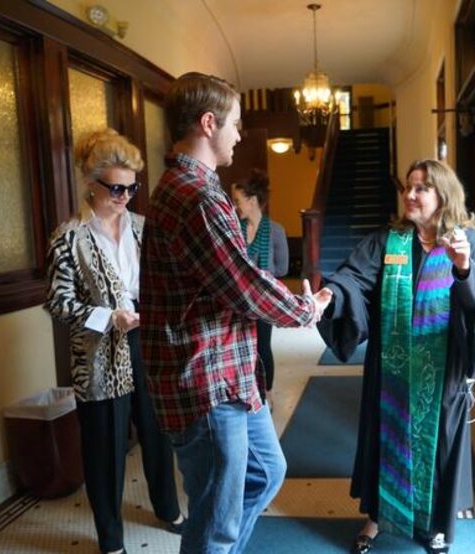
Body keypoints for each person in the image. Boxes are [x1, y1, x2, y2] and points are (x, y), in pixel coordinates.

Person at [139, 72, 331, 554]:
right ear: (209, 123)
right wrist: (303, 310)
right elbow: (242, 285)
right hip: (205, 381)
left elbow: (237, 276)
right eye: (237, 124)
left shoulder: (198, 189)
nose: (240, 134)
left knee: (267, 473)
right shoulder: (196, 196)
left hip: (231, 374)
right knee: (217, 520)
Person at [316, 159, 475, 554]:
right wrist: (332, 295)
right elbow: (354, 278)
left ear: (444, 195)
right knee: (384, 437)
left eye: (422, 187)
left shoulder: (470, 245)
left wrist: (464, 270)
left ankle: (437, 525)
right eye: (408, 186)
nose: (410, 194)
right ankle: (377, 517)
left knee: (439, 445)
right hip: (390, 367)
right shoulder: (389, 242)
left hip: (442, 374)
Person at [45, 129, 184, 554]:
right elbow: (58, 302)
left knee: (159, 432)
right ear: (91, 182)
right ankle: (110, 539)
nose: (125, 196)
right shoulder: (68, 237)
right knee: (105, 449)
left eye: (131, 187)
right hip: (98, 357)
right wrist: (109, 318)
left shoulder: (145, 227)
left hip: (149, 342)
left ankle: (168, 509)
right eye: (116, 188)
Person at [231, 169, 290, 404]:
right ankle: (244, 392)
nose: (235, 206)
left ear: (252, 200)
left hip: (264, 300)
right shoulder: (234, 228)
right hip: (238, 300)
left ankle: (267, 394)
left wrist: (259, 277)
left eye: (237, 200)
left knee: (262, 346)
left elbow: (283, 268)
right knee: (239, 346)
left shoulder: (276, 230)